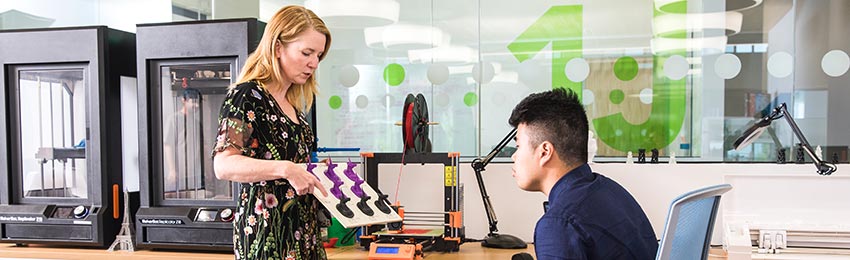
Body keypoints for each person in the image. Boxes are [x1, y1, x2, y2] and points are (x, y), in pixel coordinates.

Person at [212, 5, 331, 259]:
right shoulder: (247, 96)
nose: (314, 63)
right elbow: (223, 165)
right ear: (278, 47)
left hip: (303, 236)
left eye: (319, 55)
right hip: (267, 239)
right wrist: (286, 168)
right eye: (307, 52)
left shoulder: (293, 106)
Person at [508, 88, 658, 259]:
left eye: (518, 146)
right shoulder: (610, 190)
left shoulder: (559, 224)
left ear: (545, 152)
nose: (514, 156)